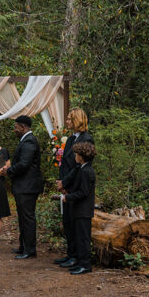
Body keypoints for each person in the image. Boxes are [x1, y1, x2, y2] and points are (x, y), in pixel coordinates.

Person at [54, 108, 94, 266]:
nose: (67, 121)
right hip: (66, 185)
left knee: (76, 224)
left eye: (70, 119)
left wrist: (66, 183)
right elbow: (64, 163)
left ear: (77, 120)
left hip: (75, 185)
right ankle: (71, 253)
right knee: (68, 223)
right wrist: (60, 181)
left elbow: (79, 166)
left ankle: (77, 257)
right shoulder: (70, 139)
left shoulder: (86, 139)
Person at [0, 115, 42, 259]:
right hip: (23, 186)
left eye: (16, 127)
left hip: (27, 187)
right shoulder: (25, 140)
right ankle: (23, 246)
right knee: (23, 218)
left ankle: (30, 250)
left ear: (23, 127)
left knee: (27, 218)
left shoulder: (29, 142)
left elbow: (24, 164)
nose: (14, 130)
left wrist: (8, 171)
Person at [61, 142, 97, 275]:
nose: (75, 156)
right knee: (78, 237)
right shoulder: (82, 169)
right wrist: (68, 191)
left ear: (82, 156)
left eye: (76, 154)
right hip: (78, 210)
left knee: (83, 239)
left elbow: (83, 192)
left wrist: (69, 197)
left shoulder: (87, 171)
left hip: (83, 210)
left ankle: (86, 265)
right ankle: (80, 262)